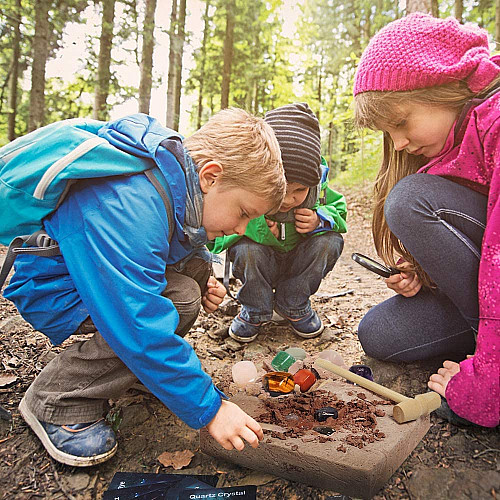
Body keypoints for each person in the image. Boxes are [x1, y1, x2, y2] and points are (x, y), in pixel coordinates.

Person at [3, 110, 286, 466]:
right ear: (210, 177)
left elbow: (176, 243)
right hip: (51, 289)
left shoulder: (170, 181)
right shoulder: (128, 202)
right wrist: (210, 409)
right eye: (244, 212)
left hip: (80, 276)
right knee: (176, 302)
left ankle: (132, 371)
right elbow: (138, 322)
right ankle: (56, 398)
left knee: (190, 282)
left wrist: (202, 277)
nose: (244, 229)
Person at [352, 13, 499, 427]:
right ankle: (482, 345)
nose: (399, 143)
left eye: (400, 123)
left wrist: (485, 384)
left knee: (409, 200)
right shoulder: (449, 149)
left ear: (441, 86)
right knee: (378, 334)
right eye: (387, 133)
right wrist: (425, 273)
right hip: (483, 306)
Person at [210, 103, 347, 342]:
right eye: (281, 188)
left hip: (298, 265)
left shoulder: (319, 191)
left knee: (331, 241)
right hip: (262, 266)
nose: (289, 199)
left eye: (300, 190)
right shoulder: (247, 195)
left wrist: (320, 220)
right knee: (246, 248)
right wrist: (256, 227)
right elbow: (217, 240)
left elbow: (340, 212)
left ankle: (293, 304)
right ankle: (255, 308)